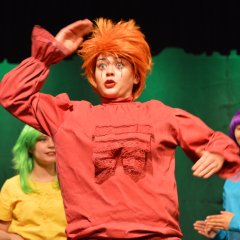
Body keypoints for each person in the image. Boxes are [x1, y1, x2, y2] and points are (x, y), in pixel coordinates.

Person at [0, 18, 240, 240]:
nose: (109, 70)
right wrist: (46, 57)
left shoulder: (160, 115)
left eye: (119, 64)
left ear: (136, 75)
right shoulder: (68, 116)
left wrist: (218, 151)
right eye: (101, 65)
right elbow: (12, 95)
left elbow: (218, 143)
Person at [0, 124, 67, 240]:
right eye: (42, 139)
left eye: (55, 138)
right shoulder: (12, 186)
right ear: (29, 146)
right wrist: (10, 237)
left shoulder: (72, 184)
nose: (51, 145)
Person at [194, 111, 240, 239]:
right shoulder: (233, 175)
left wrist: (235, 223)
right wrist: (219, 234)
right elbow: (231, 226)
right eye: (239, 128)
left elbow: (233, 222)